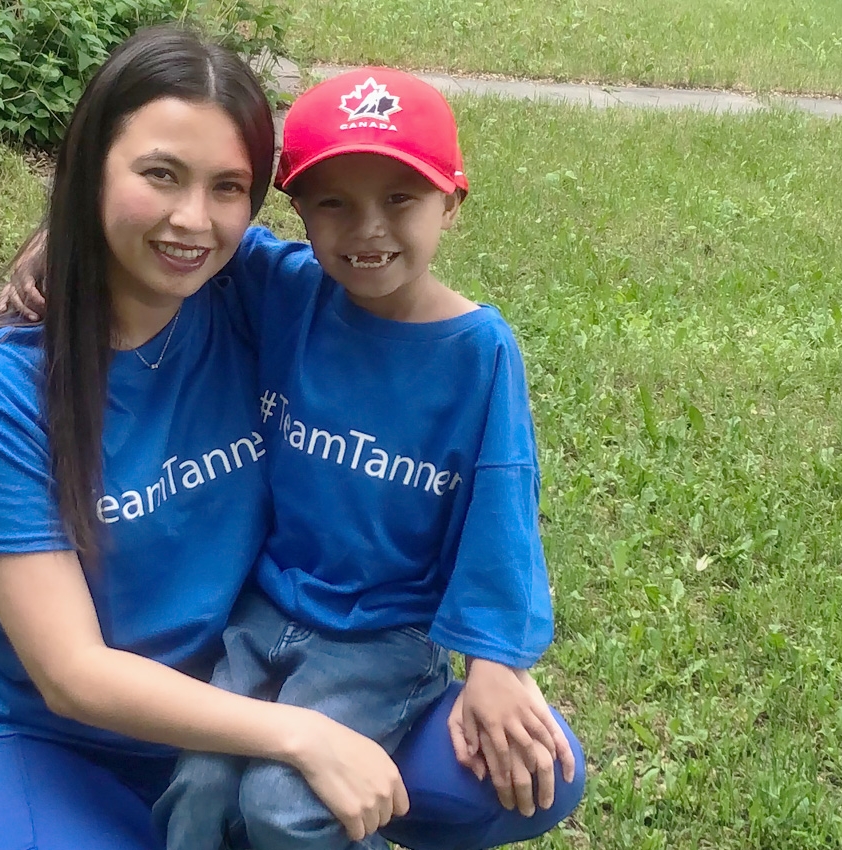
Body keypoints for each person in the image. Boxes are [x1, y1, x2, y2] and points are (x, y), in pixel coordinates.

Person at [0, 26, 583, 850]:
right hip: (69, 734)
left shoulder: (245, 293)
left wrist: (494, 658)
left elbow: (417, 343)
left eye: (227, 186)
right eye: (159, 174)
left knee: (528, 773)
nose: (192, 220)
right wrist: (304, 738)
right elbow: (72, 675)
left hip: (264, 676)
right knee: (260, 802)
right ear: (92, 167)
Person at [152, 68, 573, 850]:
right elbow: (183, 235)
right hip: (266, 609)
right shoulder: (289, 290)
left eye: (400, 200)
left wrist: (492, 658)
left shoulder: (478, 351)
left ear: (452, 199)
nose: (367, 228)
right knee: (199, 788)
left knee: (287, 805)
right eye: (334, 203)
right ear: (298, 210)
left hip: (382, 633)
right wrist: (50, 253)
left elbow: (501, 511)